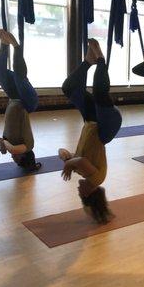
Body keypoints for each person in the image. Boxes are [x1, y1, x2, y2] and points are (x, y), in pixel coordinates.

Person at [59, 39, 122, 224]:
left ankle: (88, 61)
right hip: (106, 127)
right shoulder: (97, 179)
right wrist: (69, 163)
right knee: (99, 94)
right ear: (90, 193)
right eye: (82, 195)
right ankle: (101, 59)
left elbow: (72, 155)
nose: (78, 192)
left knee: (69, 88)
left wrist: (64, 155)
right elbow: (81, 160)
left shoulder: (83, 173)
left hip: (91, 120)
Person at [0, 29, 40, 171]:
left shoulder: (8, 140)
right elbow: (13, 149)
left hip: (15, 98)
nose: (13, 158)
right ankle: (16, 45)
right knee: (19, 76)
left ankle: (4, 44)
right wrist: (3, 143)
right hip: (28, 103)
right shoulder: (28, 146)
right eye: (17, 161)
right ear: (24, 157)